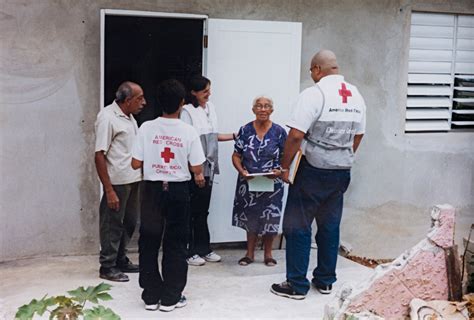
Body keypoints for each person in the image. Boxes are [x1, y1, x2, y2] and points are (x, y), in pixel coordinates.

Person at [271, 50, 366, 299]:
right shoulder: (355, 94)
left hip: (313, 171)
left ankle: (297, 285)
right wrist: (342, 156)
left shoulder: (314, 94)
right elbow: (359, 135)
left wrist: (284, 166)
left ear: (316, 69)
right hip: (341, 170)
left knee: (298, 226)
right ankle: (325, 281)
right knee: (329, 225)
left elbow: (295, 135)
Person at [131, 79, 206, 312]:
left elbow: (135, 163)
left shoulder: (146, 128)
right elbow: (197, 168)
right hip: (178, 191)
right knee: (176, 243)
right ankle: (172, 297)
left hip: (152, 190)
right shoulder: (188, 131)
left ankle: (151, 296)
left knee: (149, 241)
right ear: (182, 103)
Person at [94, 81, 146, 282]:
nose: (144, 102)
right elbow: (99, 154)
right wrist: (108, 190)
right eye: (139, 98)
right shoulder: (108, 118)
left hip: (132, 179)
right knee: (112, 224)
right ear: (127, 100)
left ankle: (120, 259)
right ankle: (107, 266)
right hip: (116, 182)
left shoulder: (130, 117)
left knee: (130, 222)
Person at [180, 76, 234, 266]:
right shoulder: (187, 112)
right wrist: (196, 172)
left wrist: (235, 135)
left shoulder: (210, 108)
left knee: (203, 211)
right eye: (205, 91)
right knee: (191, 211)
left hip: (209, 166)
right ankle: (189, 251)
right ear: (193, 92)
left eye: (209, 90)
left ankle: (204, 248)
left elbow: (213, 136)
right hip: (195, 168)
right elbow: (188, 143)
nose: (209, 94)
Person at [231, 96, 287, 267]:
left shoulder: (279, 132)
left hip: (273, 183)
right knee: (250, 217)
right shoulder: (245, 130)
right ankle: (249, 254)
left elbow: (287, 156)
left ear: (272, 110)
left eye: (267, 106)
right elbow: (236, 155)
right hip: (249, 181)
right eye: (259, 106)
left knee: (270, 217)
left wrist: (280, 171)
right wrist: (242, 171)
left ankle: (268, 255)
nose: (263, 109)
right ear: (253, 109)